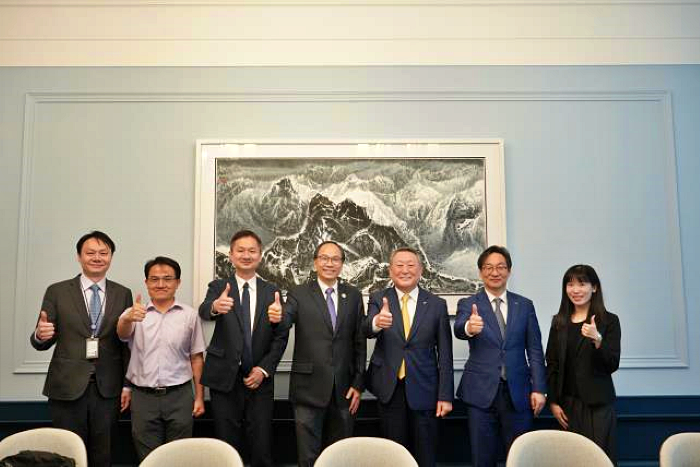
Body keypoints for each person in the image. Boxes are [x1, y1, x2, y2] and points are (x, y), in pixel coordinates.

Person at [30, 231, 133, 466]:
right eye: (90, 253)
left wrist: (127, 385)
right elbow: (42, 338)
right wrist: (39, 335)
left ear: (111, 257)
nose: (97, 257)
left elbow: (125, 344)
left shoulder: (122, 293)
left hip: (107, 389)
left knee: (103, 455)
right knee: (68, 455)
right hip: (66, 387)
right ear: (79, 257)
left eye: (103, 253)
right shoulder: (57, 291)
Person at [267, 241, 366, 467]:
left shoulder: (353, 295)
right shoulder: (299, 293)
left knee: (341, 456)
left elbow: (359, 341)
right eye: (324, 258)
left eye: (335, 259)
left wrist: (359, 383)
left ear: (342, 264)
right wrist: (276, 317)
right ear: (315, 262)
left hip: (344, 390)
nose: (329, 263)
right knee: (308, 457)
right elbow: (284, 322)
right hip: (307, 389)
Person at [199, 230, 288, 467]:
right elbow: (204, 310)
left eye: (252, 251)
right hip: (224, 378)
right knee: (226, 446)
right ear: (231, 254)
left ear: (260, 255)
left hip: (260, 379)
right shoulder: (219, 286)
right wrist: (216, 307)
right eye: (241, 250)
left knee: (261, 445)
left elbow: (281, 337)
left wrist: (264, 370)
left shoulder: (273, 292)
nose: (246, 255)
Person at [454, 245, 547, 467]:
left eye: (500, 267)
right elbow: (459, 328)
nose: (494, 272)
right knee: (482, 458)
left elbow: (534, 349)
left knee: (518, 457)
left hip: (518, 393)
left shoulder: (524, 305)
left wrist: (539, 388)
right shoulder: (468, 303)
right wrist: (469, 327)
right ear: (480, 272)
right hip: (480, 393)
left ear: (509, 271)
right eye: (488, 268)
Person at [364, 247, 453, 467]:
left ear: (420, 270)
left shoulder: (436, 304)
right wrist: (376, 323)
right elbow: (365, 329)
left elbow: (445, 354)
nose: (405, 270)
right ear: (390, 270)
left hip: (425, 389)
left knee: (425, 454)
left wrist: (445, 396)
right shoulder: (378, 298)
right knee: (393, 455)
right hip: (389, 388)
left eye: (411, 265)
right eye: (399, 265)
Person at [117, 256, 206, 461]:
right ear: (146, 283)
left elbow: (197, 358)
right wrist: (127, 318)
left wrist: (199, 396)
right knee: (148, 458)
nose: (161, 284)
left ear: (177, 283)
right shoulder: (134, 313)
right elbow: (121, 334)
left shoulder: (190, 316)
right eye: (154, 279)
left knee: (179, 456)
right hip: (143, 397)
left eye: (167, 279)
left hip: (180, 395)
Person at [545, 264, 621, 464]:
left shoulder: (609, 321)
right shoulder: (559, 323)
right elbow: (551, 364)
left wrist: (598, 340)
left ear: (594, 287)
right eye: (570, 284)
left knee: (599, 460)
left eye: (582, 283)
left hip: (598, 406)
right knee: (571, 460)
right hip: (567, 406)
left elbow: (612, 363)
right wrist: (553, 402)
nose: (575, 290)